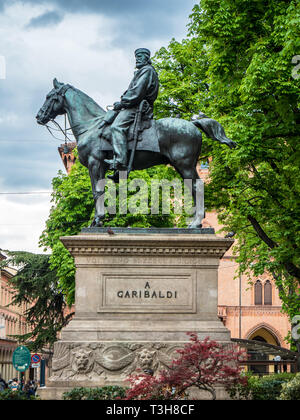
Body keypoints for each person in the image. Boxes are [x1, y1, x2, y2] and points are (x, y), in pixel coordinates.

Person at [103, 48, 159, 173]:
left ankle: (120, 160)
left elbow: (136, 92)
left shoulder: (147, 71)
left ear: (147, 58)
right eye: (136, 57)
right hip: (134, 105)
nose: (137, 59)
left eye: (140, 56)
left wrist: (122, 103)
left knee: (116, 127)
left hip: (138, 107)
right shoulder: (143, 72)